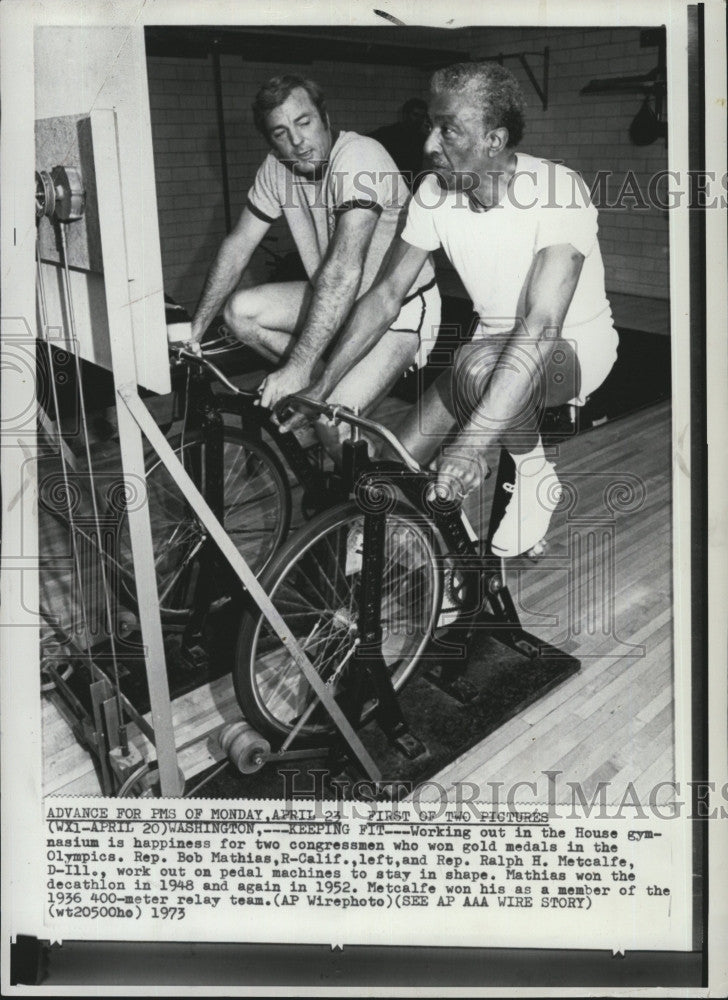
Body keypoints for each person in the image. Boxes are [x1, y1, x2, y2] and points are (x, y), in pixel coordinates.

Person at [282, 62, 619, 557]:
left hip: (575, 348)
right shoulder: (435, 192)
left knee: (477, 369)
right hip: (483, 357)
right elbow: (385, 295)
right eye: (430, 126)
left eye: (449, 129)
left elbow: (542, 324)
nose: (428, 145)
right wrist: (322, 381)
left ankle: (533, 470)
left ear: (494, 140)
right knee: (396, 466)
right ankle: (448, 553)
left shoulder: (557, 191)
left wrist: (470, 444)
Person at [185, 74, 440, 445]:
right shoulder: (275, 168)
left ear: (325, 118)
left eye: (304, 123)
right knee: (239, 311)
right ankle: (329, 385)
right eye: (280, 132)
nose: (297, 141)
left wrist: (298, 367)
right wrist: (194, 332)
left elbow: (343, 270)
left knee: (331, 422)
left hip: (399, 307)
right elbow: (239, 245)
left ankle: (372, 494)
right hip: (341, 300)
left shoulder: (358, 157)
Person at [368, 97, 430, 188]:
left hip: (411, 185)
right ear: (405, 115)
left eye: (422, 116)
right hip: (390, 184)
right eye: (415, 115)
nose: (418, 120)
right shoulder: (388, 133)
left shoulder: (423, 138)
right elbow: (366, 140)